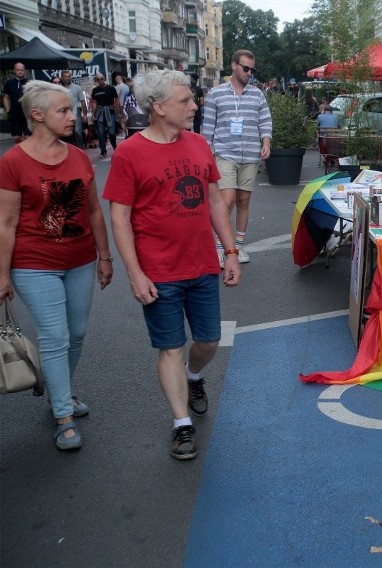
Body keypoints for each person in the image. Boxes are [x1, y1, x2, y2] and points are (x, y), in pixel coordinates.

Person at [103, 70, 241, 461]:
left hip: (201, 266)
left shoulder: (198, 144)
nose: (194, 105)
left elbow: (215, 200)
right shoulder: (130, 152)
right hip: (158, 271)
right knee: (170, 348)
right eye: (186, 100)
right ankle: (181, 424)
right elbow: (120, 217)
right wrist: (134, 271)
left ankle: (194, 377)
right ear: (159, 107)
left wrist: (230, 252)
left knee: (209, 341)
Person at [0, 80, 113, 450]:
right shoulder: (14, 162)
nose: (74, 116)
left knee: (77, 332)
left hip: (81, 258)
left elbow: (94, 209)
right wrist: (2, 273)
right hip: (35, 263)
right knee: (55, 336)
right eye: (63, 110)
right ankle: (63, 413)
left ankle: (59, 389)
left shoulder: (79, 155)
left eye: (72, 110)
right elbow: (6, 223)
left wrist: (105, 255)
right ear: (37, 115)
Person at [202, 49, 272, 267]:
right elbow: (207, 128)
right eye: (245, 68)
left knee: (244, 201)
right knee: (227, 201)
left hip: (250, 154)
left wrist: (266, 142)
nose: (249, 73)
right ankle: (222, 247)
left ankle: (239, 246)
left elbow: (265, 120)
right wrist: (208, 155)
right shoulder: (216, 94)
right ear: (233, 66)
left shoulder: (257, 94)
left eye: (252, 69)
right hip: (225, 153)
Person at [90, 73, 120, 157]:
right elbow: (94, 103)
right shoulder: (95, 90)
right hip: (99, 112)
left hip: (110, 112)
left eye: (101, 79)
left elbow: (116, 100)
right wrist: (93, 115)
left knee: (112, 132)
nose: (100, 81)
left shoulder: (111, 88)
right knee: (100, 132)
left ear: (104, 79)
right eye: (98, 79)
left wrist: (118, 112)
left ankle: (114, 146)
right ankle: (103, 150)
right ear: (96, 81)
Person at [2, 62, 31, 143]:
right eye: (18, 70)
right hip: (14, 115)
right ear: (14, 71)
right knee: (16, 138)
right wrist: (8, 111)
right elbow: (5, 97)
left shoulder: (29, 83)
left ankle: (25, 153)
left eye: (22, 70)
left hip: (26, 115)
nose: (20, 71)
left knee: (27, 137)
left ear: (24, 71)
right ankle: (20, 151)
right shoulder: (9, 83)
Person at [60, 70, 88, 147]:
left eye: (69, 76)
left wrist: (85, 114)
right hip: (64, 113)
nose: (68, 78)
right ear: (62, 78)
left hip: (76, 111)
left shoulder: (77, 88)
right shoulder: (60, 89)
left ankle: (80, 148)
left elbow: (82, 101)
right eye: (66, 77)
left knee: (77, 131)